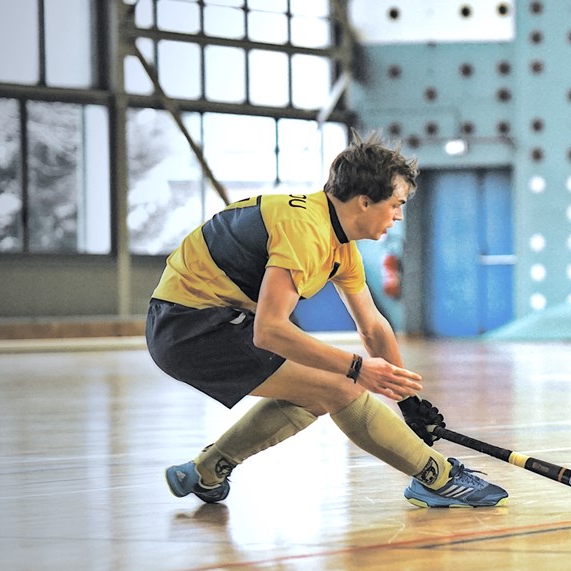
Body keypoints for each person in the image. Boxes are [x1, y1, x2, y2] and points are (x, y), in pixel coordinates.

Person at [146, 132, 508, 508]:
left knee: (315, 394)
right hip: (188, 326)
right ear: (365, 201)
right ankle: (438, 477)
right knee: (340, 387)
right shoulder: (306, 229)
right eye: (396, 204)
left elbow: (373, 326)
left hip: (215, 320)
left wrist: (408, 400)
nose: (399, 216)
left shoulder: (339, 245)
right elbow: (269, 330)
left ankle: (206, 471)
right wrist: (356, 368)